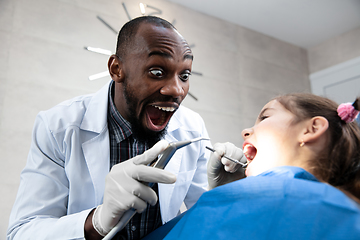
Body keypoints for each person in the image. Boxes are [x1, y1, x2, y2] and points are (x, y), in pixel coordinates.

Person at [7, 16, 217, 240]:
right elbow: (22, 232)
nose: (176, 90)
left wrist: (227, 192)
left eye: (184, 76)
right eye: (157, 72)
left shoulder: (192, 127)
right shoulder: (57, 126)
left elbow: (208, 218)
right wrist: (97, 221)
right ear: (116, 69)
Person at [145, 93, 360, 239]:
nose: (246, 131)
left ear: (311, 129)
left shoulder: (267, 196)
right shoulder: (342, 208)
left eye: (265, 117)